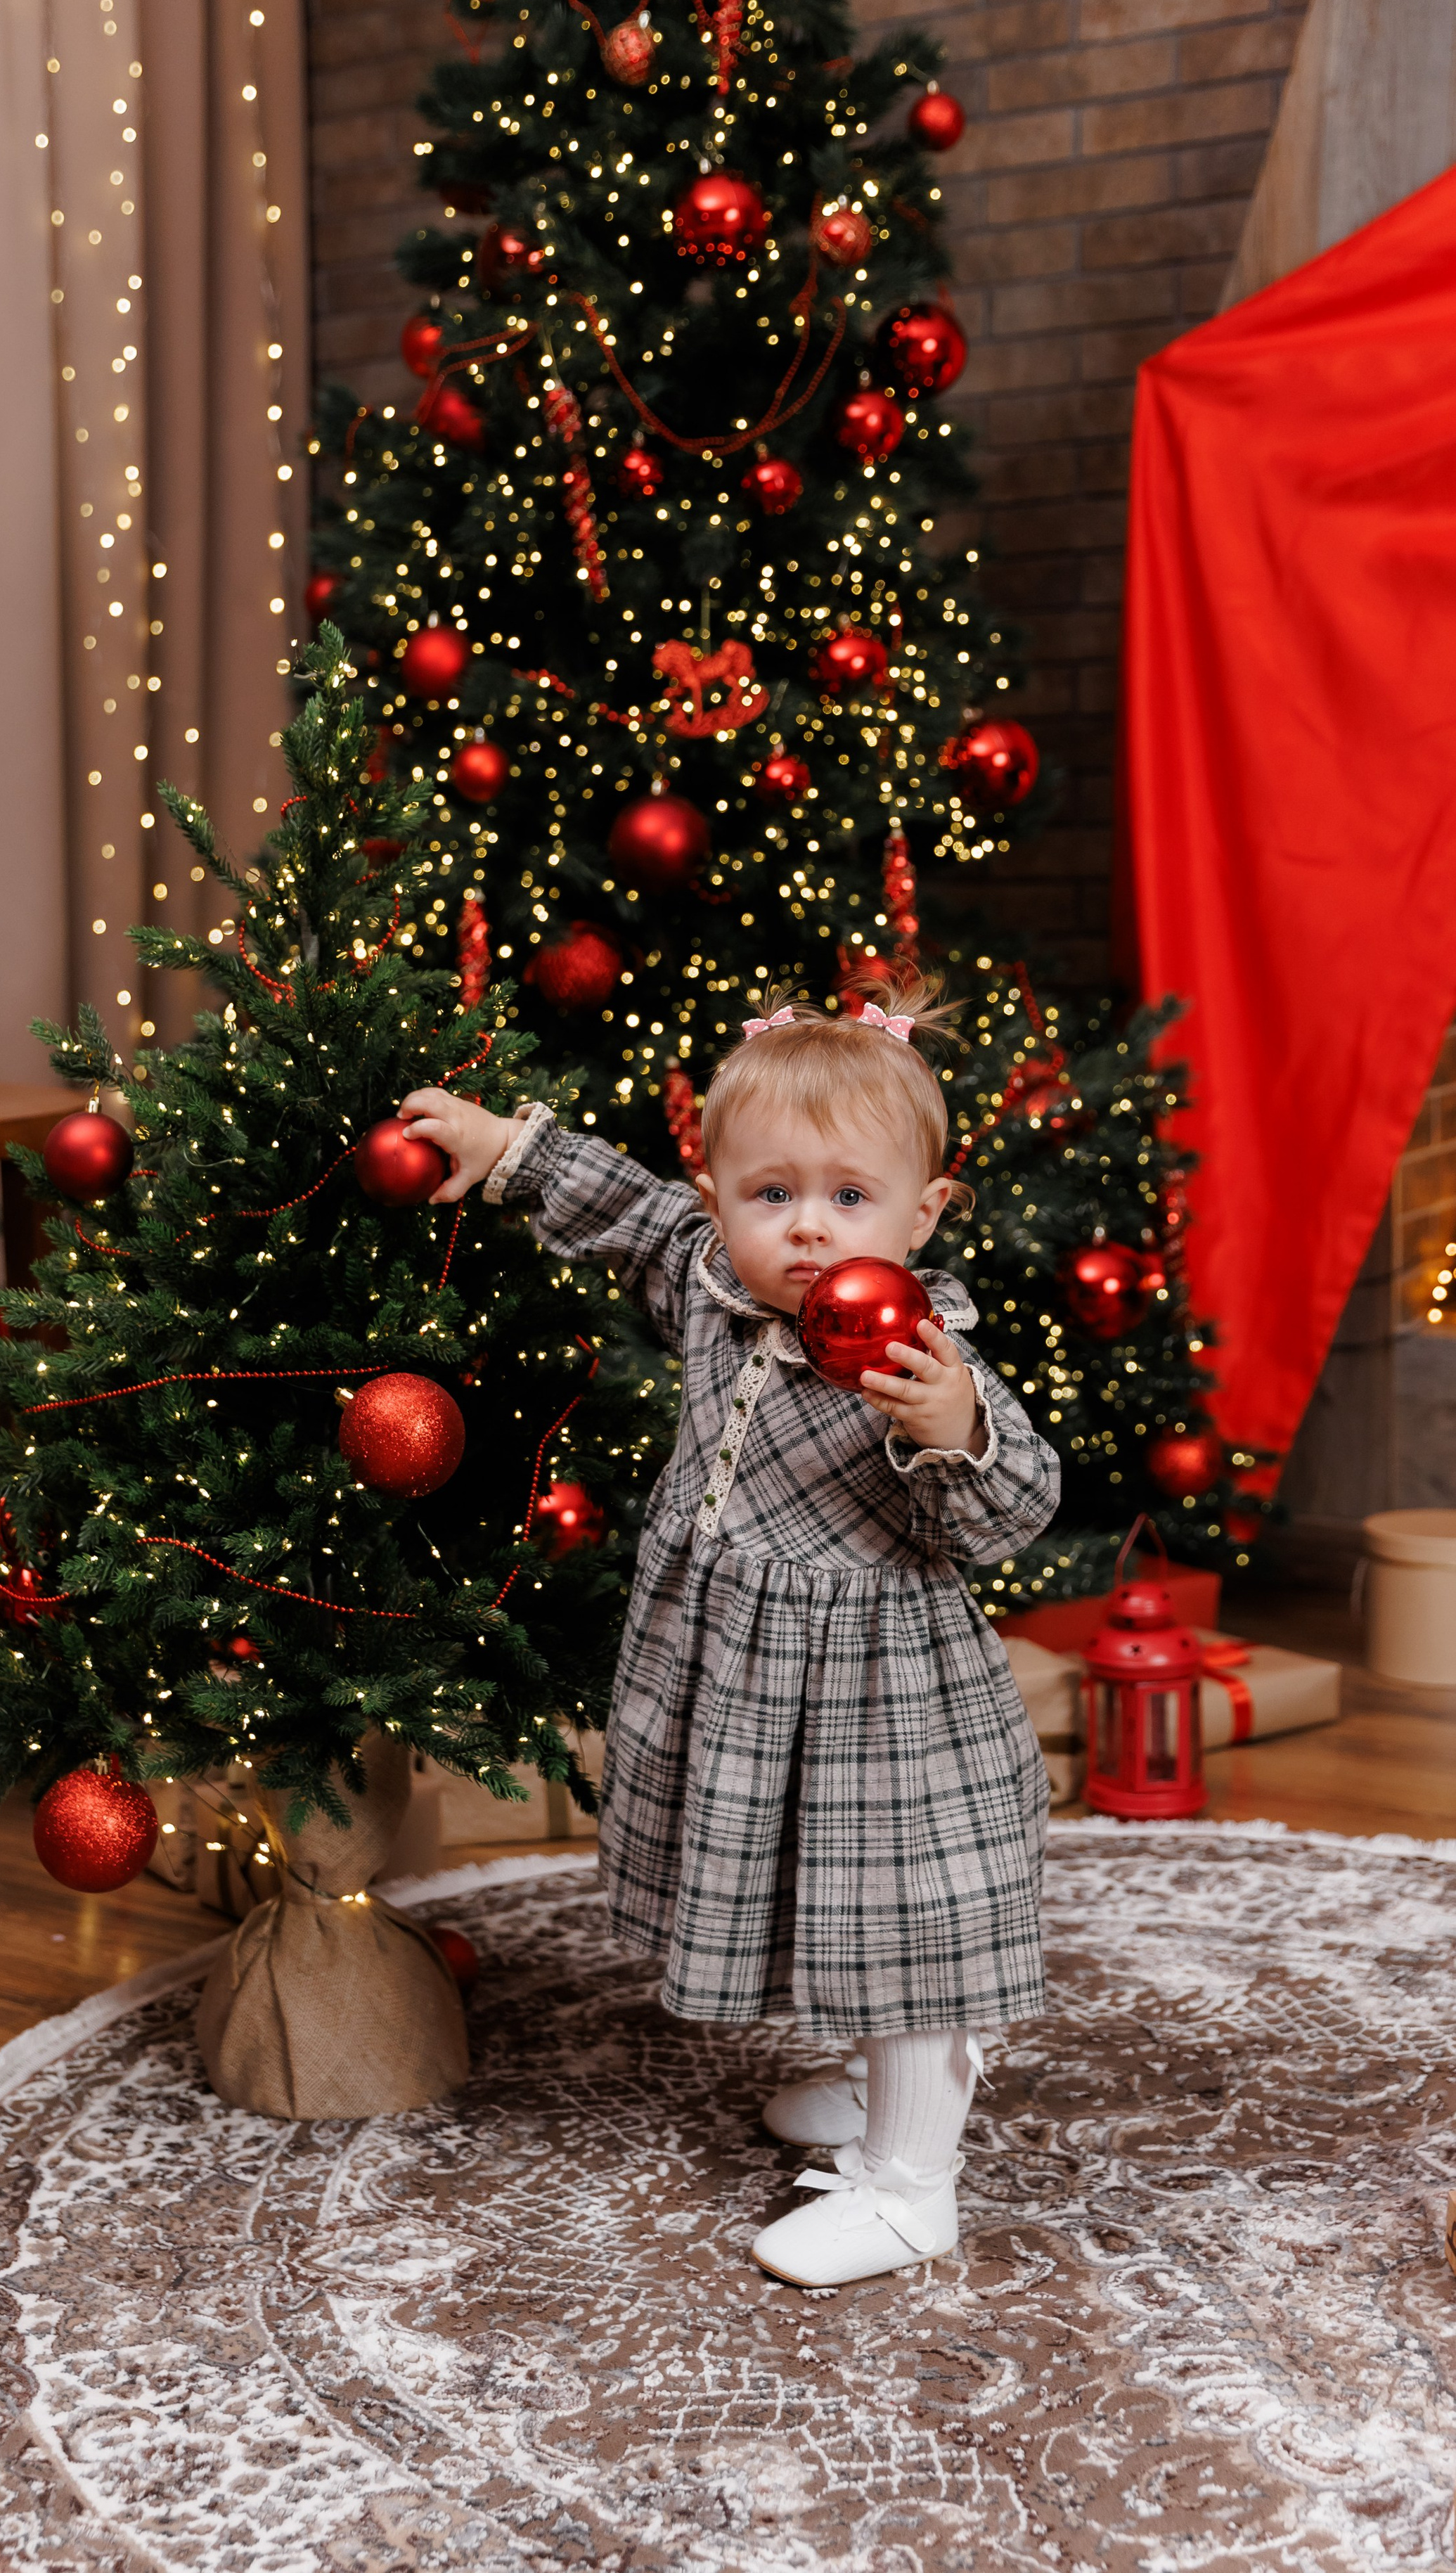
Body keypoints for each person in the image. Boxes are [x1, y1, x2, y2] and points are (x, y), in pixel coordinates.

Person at [398, 974, 1059, 2287]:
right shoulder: (710, 1286)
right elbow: (632, 1210)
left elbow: (1018, 1504)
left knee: (895, 1924)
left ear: (923, 1214)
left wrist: (949, 1430)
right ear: (724, 1202)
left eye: (849, 1198)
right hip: (747, 1679)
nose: (808, 1230)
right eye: (773, 1194)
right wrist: (508, 1152)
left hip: (884, 1711)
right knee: (805, 1902)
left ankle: (913, 2183)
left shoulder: (921, 1356)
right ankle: (878, 2095)